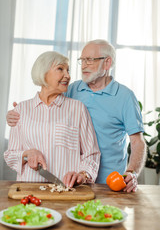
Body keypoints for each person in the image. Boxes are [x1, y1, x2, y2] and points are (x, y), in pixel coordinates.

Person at [6, 40, 146, 192]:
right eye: (82, 60)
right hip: (74, 183)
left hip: (110, 181)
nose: (84, 65)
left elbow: (138, 142)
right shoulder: (73, 89)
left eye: (90, 60)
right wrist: (16, 114)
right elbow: (46, 100)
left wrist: (131, 173)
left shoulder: (125, 97)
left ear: (107, 63)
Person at [4, 51, 100, 188]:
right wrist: (27, 154)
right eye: (60, 69)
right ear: (43, 72)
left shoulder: (77, 109)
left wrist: (83, 174)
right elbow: (10, 155)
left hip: (67, 191)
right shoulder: (21, 110)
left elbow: (92, 153)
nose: (67, 75)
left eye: (68, 70)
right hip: (29, 190)